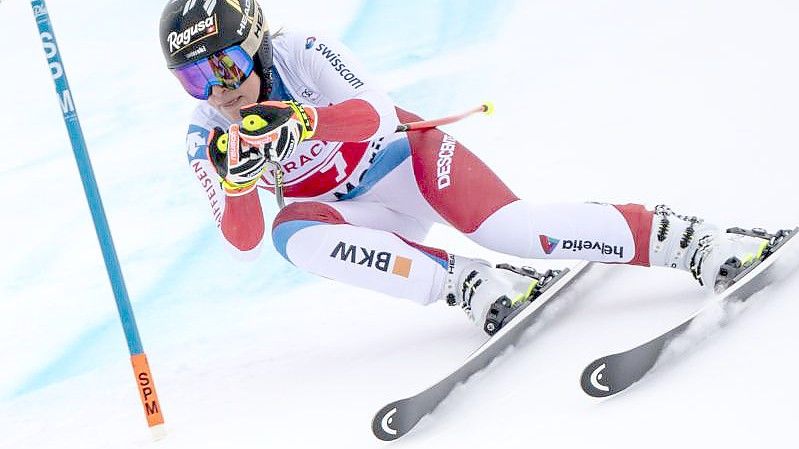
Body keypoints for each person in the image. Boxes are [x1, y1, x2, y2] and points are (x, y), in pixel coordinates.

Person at [159, 0, 772, 334]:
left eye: (227, 64)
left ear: (258, 40)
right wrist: (236, 181)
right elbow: (240, 242)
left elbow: (373, 112)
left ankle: (691, 240)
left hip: (405, 161)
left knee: (517, 231)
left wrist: (306, 122)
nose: (219, 89)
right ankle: (468, 284)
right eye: (195, 77)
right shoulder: (206, 136)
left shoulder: (303, 52)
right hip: (359, 213)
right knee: (289, 234)